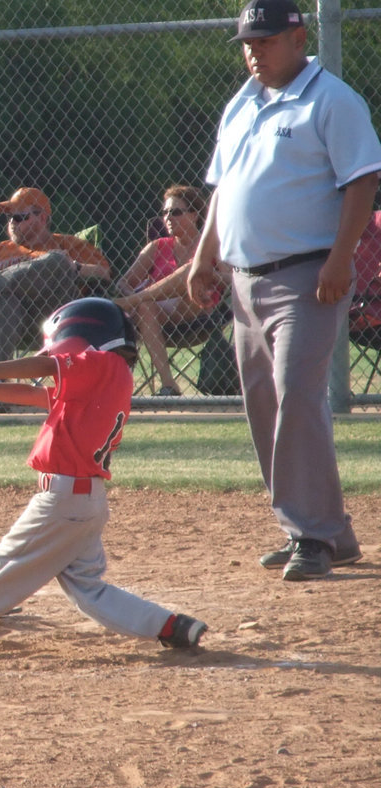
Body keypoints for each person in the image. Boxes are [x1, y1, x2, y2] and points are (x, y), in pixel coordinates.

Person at [188, 0, 381, 580]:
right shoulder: (242, 104)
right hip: (244, 280)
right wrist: (202, 257)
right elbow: (222, 189)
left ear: (299, 38)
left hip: (308, 277)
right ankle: (319, 532)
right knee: (264, 403)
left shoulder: (333, 101)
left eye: (266, 41)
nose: (254, 52)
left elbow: (362, 180)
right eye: (248, 42)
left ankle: (313, 535)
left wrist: (340, 259)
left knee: (297, 392)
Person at [0, 297, 208, 656]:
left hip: (63, 500)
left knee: (6, 562)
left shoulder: (101, 363)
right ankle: (171, 627)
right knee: (88, 588)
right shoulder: (106, 377)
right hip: (83, 500)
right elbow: (43, 396)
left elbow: (46, 366)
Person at [0, 187, 112, 365]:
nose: (12, 222)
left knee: (58, 259)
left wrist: (74, 267)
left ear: (42, 218)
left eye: (19, 217)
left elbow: (103, 272)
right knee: (3, 301)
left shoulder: (67, 243)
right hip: (9, 322)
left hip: (54, 317)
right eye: (10, 217)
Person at [114, 186, 232, 395]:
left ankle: (135, 301)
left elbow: (232, 279)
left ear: (195, 215)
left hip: (198, 309)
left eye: (176, 212)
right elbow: (123, 283)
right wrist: (136, 294)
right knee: (145, 306)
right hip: (162, 316)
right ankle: (169, 385)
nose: (168, 217)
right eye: (165, 212)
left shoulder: (212, 246)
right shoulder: (156, 246)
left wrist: (207, 274)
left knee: (190, 270)